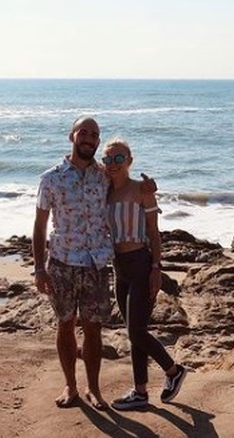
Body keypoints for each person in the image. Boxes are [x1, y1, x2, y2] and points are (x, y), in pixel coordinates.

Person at [33, 116, 114, 410]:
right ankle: (71, 386)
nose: (89, 138)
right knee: (65, 324)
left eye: (94, 135)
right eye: (84, 132)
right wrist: (39, 267)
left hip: (96, 264)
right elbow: (40, 226)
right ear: (72, 136)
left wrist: (147, 191)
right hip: (62, 263)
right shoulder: (50, 178)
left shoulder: (105, 176)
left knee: (93, 328)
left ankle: (94, 389)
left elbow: (130, 194)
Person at [101, 138, 187, 411]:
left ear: (129, 161)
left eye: (119, 158)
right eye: (108, 159)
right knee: (133, 332)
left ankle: (173, 371)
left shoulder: (142, 189)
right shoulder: (104, 190)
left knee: (136, 331)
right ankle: (140, 392)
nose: (113, 164)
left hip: (140, 262)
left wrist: (156, 268)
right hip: (119, 266)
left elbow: (153, 232)